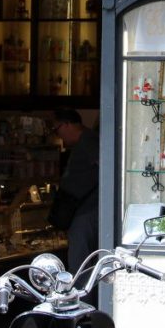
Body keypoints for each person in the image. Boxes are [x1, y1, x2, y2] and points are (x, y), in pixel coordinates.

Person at [48, 108, 99, 274]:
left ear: (68, 125)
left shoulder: (89, 142)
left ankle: (81, 297)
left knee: (80, 265)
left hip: (85, 211)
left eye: (57, 129)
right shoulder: (85, 142)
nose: (58, 134)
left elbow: (103, 168)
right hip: (82, 209)